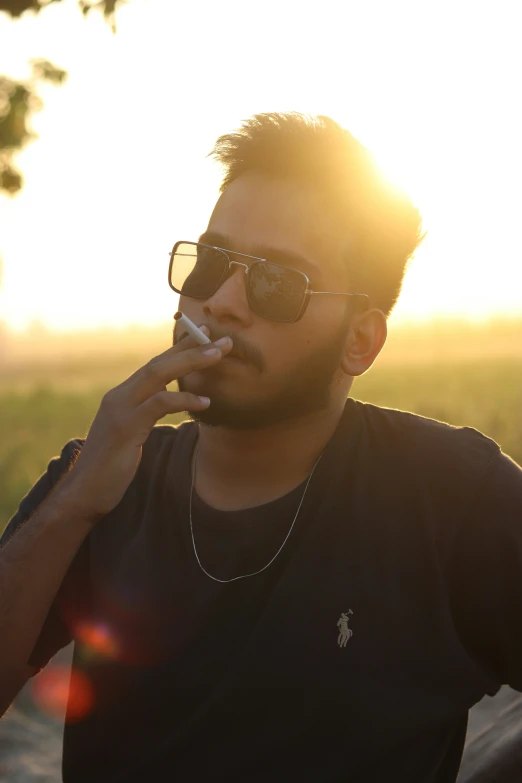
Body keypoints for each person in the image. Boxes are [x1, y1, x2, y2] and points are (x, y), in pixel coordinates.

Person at [1, 112, 521, 783]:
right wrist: (72, 505)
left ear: (360, 340)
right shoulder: (102, 479)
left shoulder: (451, 497)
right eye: (211, 262)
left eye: (276, 282)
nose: (222, 300)